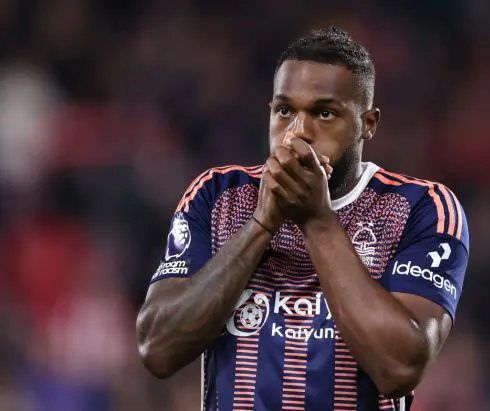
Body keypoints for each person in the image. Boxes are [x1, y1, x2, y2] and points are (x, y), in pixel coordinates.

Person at [136, 26, 470, 411]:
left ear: (369, 123)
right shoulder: (218, 195)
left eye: (324, 113)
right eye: (284, 111)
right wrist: (262, 223)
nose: (298, 132)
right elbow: (157, 350)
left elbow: (399, 368)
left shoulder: (421, 207)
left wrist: (318, 220)